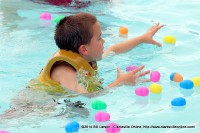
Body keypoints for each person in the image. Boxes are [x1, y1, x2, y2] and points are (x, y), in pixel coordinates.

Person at [29, 12, 164, 95]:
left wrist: (142, 38)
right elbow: (88, 95)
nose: (103, 41)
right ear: (84, 50)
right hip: (33, 108)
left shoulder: (83, 56)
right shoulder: (65, 71)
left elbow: (113, 50)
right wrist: (120, 82)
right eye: (99, 38)